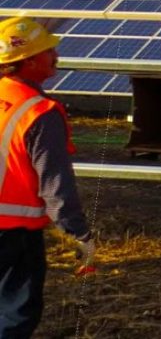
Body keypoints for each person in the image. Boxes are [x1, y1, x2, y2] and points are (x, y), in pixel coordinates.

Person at [0, 18, 94, 338]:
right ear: (28, 61)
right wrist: (78, 233)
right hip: (12, 233)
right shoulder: (39, 112)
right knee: (15, 312)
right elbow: (55, 183)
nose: (56, 55)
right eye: (48, 50)